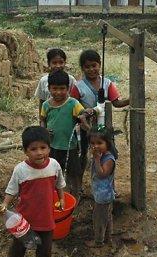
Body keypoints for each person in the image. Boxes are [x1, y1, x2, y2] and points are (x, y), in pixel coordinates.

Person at [0, 126, 66, 257]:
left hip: (46, 218)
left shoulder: (54, 165)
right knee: (18, 249)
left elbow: (60, 183)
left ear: (49, 148)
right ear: (25, 151)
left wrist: (62, 199)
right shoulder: (21, 170)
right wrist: (4, 203)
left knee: (45, 249)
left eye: (43, 148)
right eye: (33, 149)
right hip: (25, 220)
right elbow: (12, 189)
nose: (39, 152)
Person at [70, 49, 129, 192]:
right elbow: (73, 107)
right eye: (87, 66)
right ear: (82, 68)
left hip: (104, 130)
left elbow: (116, 103)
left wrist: (133, 99)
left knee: (109, 154)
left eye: (94, 65)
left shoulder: (107, 84)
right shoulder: (78, 86)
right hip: (85, 129)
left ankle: (109, 187)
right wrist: (83, 115)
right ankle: (78, 187)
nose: (91, 69)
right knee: (83, 154)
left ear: (100, 65)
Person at [40, 70, 88, 199]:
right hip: (53, 146)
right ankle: (55, 195)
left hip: (70, 146)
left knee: (74, 172)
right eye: (54, 89)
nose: (58, 92)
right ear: (49, 88)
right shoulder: (46, 105)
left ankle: (76, 194)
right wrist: (44, 130)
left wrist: (84, 119)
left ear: (68, 88)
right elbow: (42, 120)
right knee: (53, 171)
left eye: (62, 89)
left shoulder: (73, 103)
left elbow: (82, 115)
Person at [85, 126, 116, 248]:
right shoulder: (101, 155)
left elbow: (102, 174)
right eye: (92, 143)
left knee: (99, 219)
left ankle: (98, 241)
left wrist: (97, 160)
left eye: (99, 143)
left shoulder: (108, 159)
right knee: (106, 217)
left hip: (103, 196)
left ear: (107, 143)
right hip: (102, 194)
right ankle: (108, 237)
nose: (95, 146)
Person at [34, 48, 77, 122]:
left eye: (61, 62)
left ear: (65, 63)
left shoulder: (71, 80)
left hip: (67, 117)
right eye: (54, 63)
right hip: (50, 118)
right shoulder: (43, 81)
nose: (58, 66)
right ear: (48, 63)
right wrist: (41, 120)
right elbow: (42, 101)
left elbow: (75, 100)